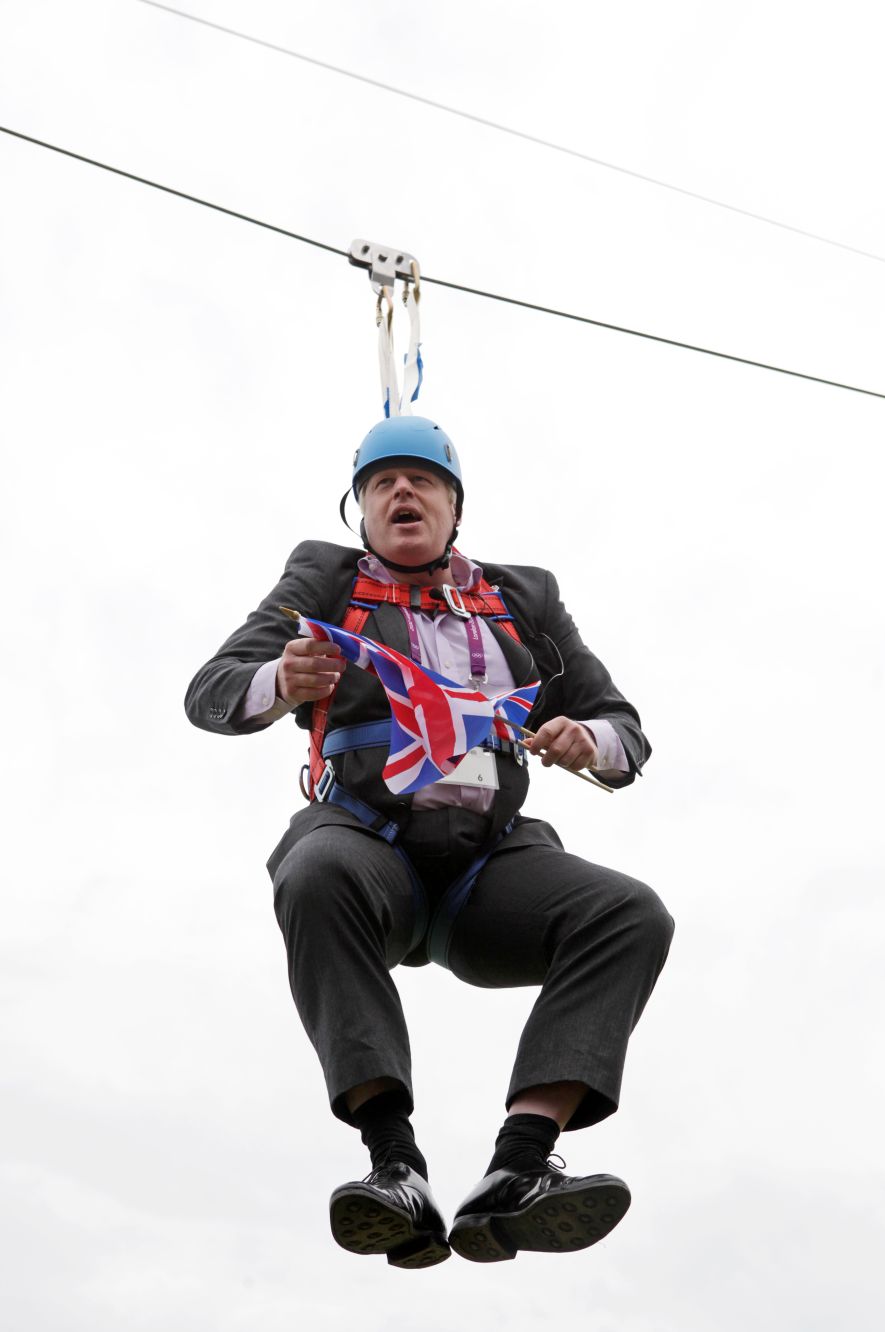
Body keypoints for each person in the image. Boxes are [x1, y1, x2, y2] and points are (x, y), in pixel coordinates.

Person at [185, 415, 673, 1269]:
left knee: (631, 914)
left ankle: (518, 1171)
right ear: (361, 511)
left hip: (490, 868)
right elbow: (211, 691)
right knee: (314, 869)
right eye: (381, 484)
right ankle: (395, 1167)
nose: (401, 493)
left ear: (454, 507)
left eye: (420, 481)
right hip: (371, 847)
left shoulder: (525, 598)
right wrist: (280, 678)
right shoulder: (325, 578)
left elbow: (626, 732)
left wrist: (586, 740)